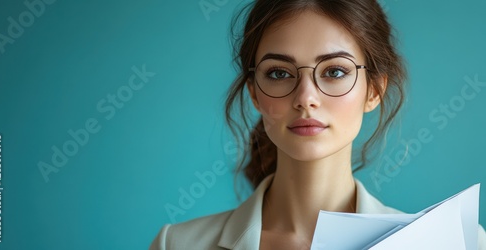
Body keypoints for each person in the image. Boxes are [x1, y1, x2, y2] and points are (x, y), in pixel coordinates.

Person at [150, 0, 486, 249]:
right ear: (254, 92)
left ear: (375, 90)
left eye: (335, 71)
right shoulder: (177, 244)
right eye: (279, 73)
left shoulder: (455, 242)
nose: (305, 97)